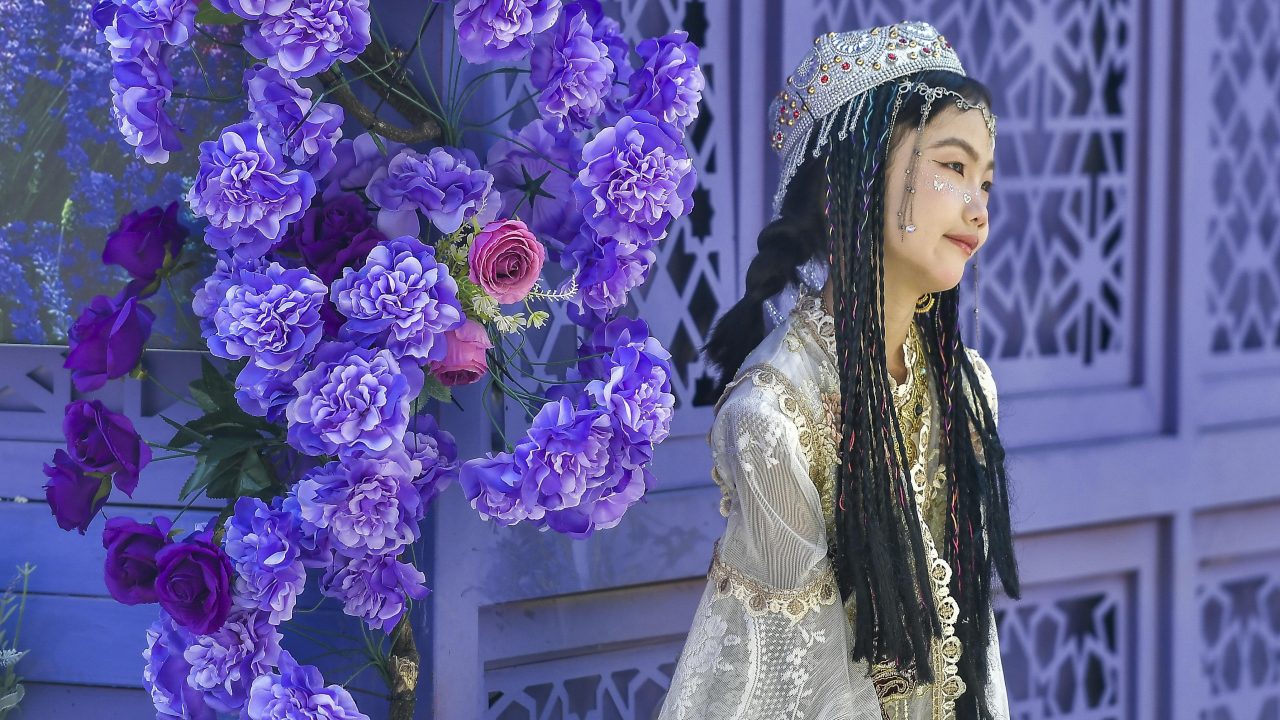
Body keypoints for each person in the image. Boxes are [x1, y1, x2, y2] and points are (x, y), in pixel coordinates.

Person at [657, 20, 1019, 720]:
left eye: (987, 182)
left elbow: (979, 659)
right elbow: (807, 687)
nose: (979, 209)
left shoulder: (964, 388)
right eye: (953, 167)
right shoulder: (774, 417)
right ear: (857, 175)